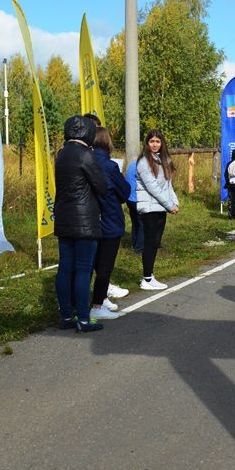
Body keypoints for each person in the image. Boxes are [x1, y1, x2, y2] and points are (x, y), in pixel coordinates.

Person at [54, 115, 108, 331]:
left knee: (65, 267)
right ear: (88, 132)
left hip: (64, 216)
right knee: (84, 270)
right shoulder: (86, 154)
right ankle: (84, 319)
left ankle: (66, 316)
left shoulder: (61, 154)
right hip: (85, 219)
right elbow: (102, 186)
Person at [90, 127, 131, 320]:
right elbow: (125, 191)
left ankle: (91, 301)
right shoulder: (109, 166)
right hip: (110, 219)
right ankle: (98, 304)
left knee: (90, 264)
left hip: (89, 220)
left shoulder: (86, 162)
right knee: (105, 266)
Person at [136, 129, 179, 290]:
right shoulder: (144, 162)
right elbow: (153, 188)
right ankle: (146, 279)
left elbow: (168, 185)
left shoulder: (164, 160)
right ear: (147, 143)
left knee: (155, 243)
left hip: (160, 207)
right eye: (152, 141)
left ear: (162, 143)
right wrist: (169, 205)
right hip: (149, 208)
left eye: (157, 141)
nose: (155, 144)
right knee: (150, 243)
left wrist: (175, 202)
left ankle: (150, 276)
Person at [124, 161, 144, 254]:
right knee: (142, 224)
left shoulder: (133, 164)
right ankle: (139, 249)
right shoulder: (143, 166)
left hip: (129, 198)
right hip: (137, 198)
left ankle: (134, 243)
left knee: (135, 222)